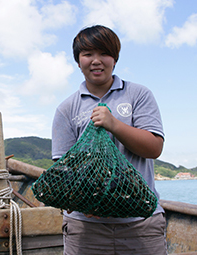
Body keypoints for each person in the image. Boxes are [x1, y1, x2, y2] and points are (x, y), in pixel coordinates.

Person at [52, 25, 167, 255]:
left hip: (141, 222)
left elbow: (154, 148)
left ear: (115, 59)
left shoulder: (138, 95)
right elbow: (62, 171)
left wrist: (114, 125)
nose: (96, 61)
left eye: (104, 53)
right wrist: (85, 204)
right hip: (85, 227)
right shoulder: (66, 109)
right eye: (87, 54)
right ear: (78, 62)